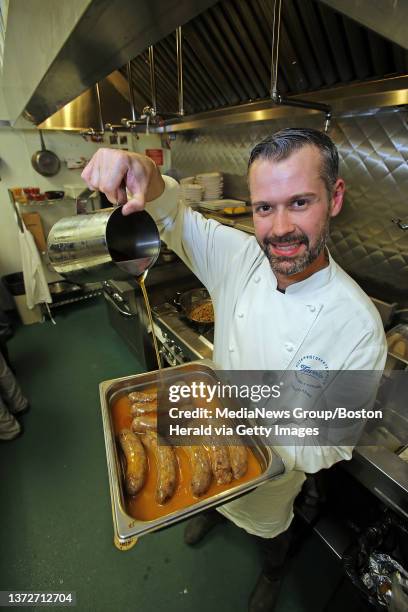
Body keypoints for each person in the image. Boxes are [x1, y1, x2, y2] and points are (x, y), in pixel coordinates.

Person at [82, 128, 387, 611]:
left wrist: (245, 426)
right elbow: (173, 216)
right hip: (203, 438)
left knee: (271, 530)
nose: (280, 227)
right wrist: (145, 173)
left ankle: (273, 570)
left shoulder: (358, 326)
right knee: (210, 497)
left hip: (271, 480)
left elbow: (333, 443)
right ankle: (212, 511)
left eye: (300, 202)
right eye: (264, 207)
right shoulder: (241, 258)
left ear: (335, 198)